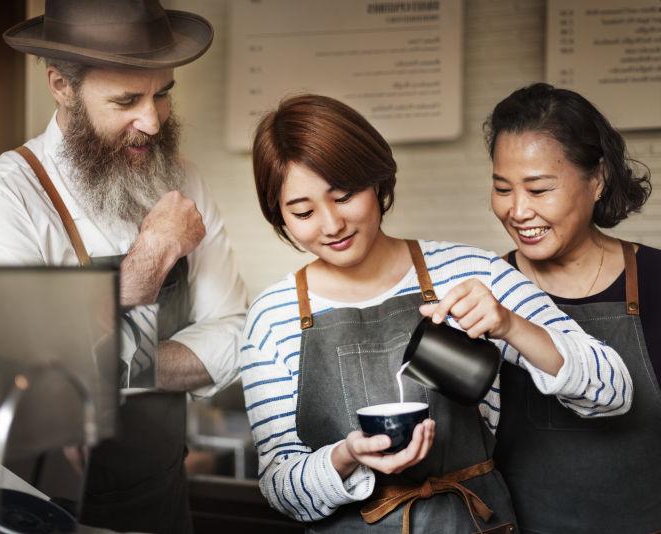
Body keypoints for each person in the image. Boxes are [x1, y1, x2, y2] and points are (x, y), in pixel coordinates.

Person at [241, 94, 633, 533]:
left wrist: (510, 325)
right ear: (280, 215)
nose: (331, 225)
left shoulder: (470, 272)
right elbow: (278, 485)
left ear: (378, 181)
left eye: (345, 195)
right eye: (303, 211)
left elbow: (612, 392)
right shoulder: (274, 316)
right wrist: (345, 458)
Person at [0, 1, 247, 532]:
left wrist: (106, 366)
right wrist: (151, 256)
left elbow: (234, 333)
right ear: (61, 86)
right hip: (44, 508)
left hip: (163, 494)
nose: (153, 121)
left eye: (162, 93)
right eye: (126, 100)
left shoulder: (184, 179)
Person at [485, 82, 660, 533]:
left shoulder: (656, 280)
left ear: (597, 180)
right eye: (503, 188)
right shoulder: (487, 293)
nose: (518, 211)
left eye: (539, 189)